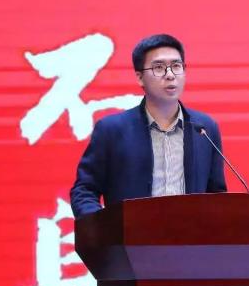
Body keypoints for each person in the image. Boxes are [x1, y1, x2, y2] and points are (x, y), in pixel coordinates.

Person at [70, 33, 227, 218]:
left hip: (189, 235)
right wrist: (101, 227)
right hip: (130, 235)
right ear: (140, 77)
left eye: (176, 66)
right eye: (159, 67)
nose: (170, 75)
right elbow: (85, 190)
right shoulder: (112, 130)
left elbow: (216, 195)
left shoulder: (204, 129)